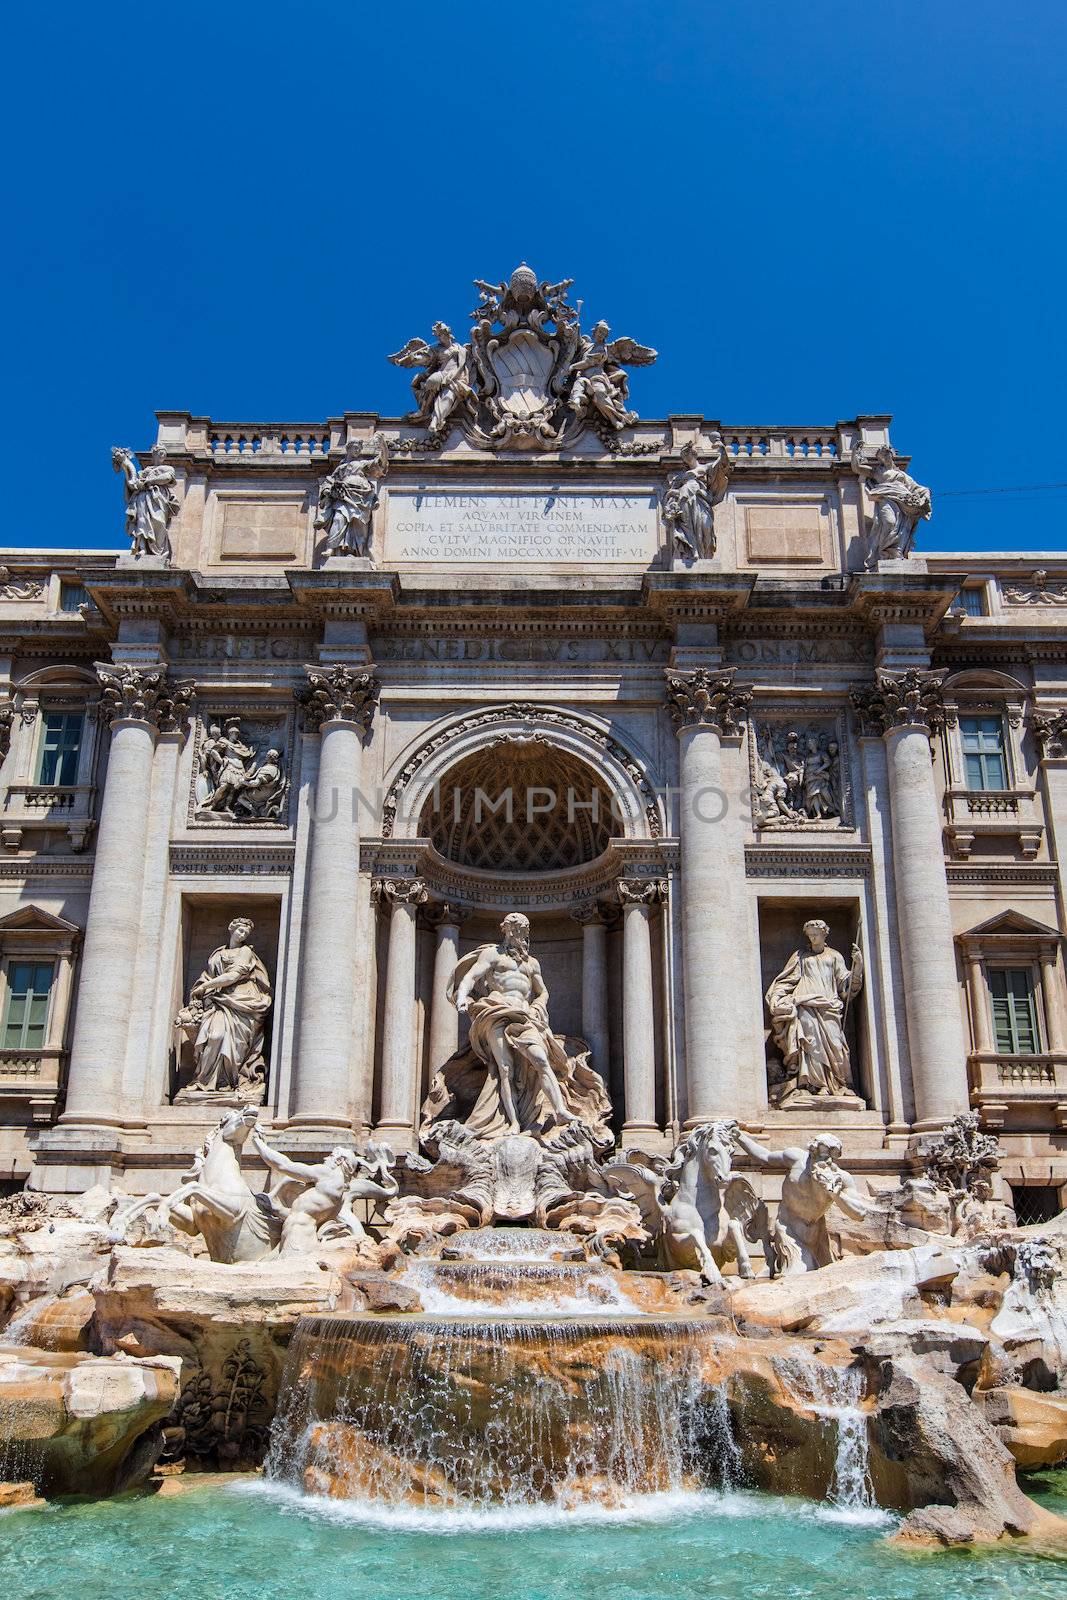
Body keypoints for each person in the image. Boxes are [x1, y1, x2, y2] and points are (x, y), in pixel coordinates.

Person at [765, 919, 862, 1099]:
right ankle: (816, 1085)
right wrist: (778, 996)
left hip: (829, 1005)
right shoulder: (800, 956)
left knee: (836, 1044)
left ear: (825, 933)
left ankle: (838, 1083)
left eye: (815, 934)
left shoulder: (835, 956)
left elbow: (846, 986)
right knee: (810, 1044)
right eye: (809, 935)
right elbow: (787, 979)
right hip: (805, 1004)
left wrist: (858, 966)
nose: (812, 938)